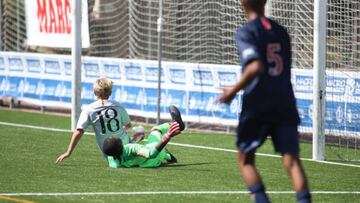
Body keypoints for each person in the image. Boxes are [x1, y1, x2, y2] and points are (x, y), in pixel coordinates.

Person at [217, 0, 311, 202]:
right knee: (292, 161)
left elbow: (255, 66)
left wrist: (231, 91)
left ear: (242, 3)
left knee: (245, 159)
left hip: (258, 104)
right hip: (285, 102)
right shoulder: (281, 31)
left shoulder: (247, 32)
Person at [55, 77, 133, 165]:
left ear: (95, 92)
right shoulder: (118, 106)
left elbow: (79, 131)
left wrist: (68, 152)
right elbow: (128, 125)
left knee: (119, 163)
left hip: (108, 151)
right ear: (110, 93)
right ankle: (133, 143)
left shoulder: (89, 109)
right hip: (124, 143)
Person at [103, 106, 185, 168]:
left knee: (148, 145)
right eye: (117, 140)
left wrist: (136, 138)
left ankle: (168, 156)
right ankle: (177, 124)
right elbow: (151, 154)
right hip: (153, 159)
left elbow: (126, 155)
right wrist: (167, 136)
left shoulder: (112, 162)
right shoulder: (131, 148)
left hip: (143, 163)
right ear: (121, 146)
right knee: (155, 130)